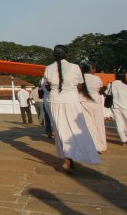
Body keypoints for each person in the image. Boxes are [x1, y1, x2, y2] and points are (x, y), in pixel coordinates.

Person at [42, 45, 100, 174]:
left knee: (61, 130)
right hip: (71, 101)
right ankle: (68, 160)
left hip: (55, 101)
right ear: (67, 55)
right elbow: (80, 85)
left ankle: (70, 159)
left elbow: (47, 85)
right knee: (74, 131)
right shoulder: (74, 67)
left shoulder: (48, 68)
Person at [79, 63, 106, 153]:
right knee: (99, 123)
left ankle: (92, 145)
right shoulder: (96, 78)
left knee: (89, 124)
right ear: (91, 69)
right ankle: (101, 146)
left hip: (83, 101)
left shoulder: (80, 78)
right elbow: (101, 89)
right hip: (95, 102)